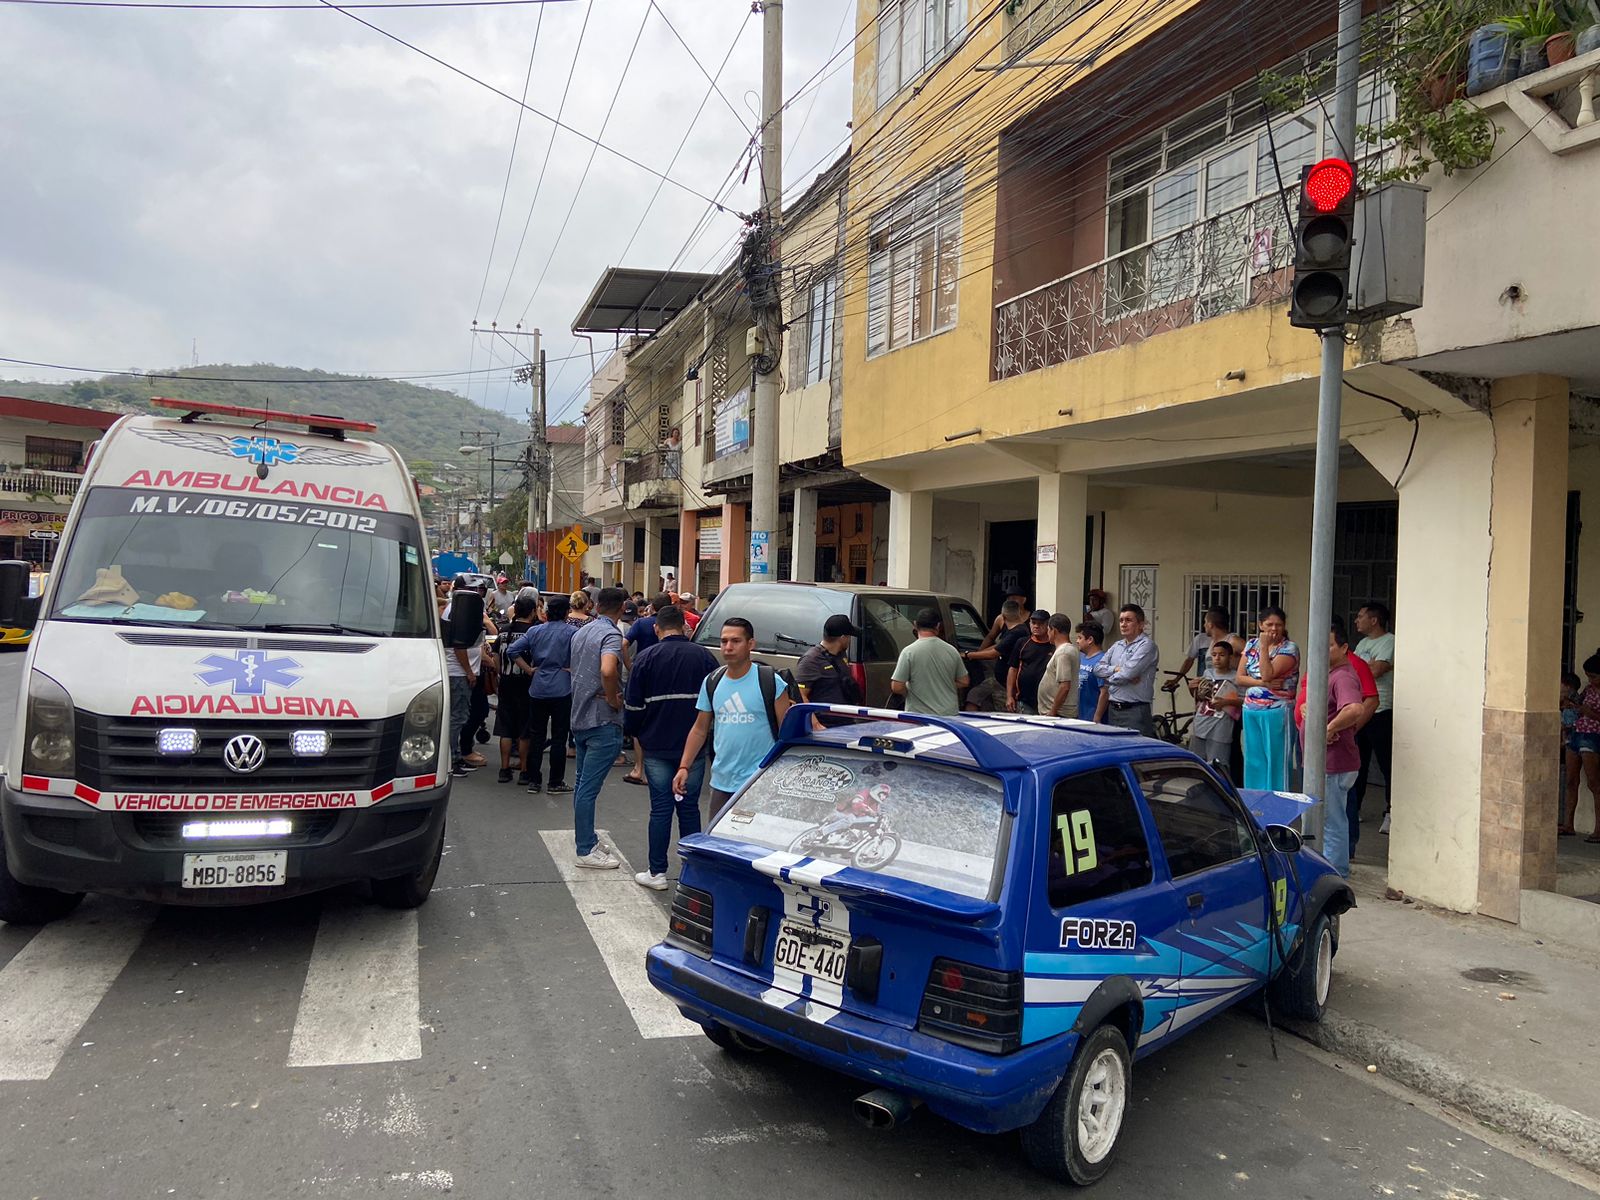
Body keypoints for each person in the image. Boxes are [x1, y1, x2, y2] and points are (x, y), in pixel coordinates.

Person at [623, 604, 719, 890]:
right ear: (685, 627)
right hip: (694, 748)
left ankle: (657, 872)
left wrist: (638, 733)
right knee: (690, 809)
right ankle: (695, 873)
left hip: (656, 746)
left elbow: (633, 706)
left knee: (661, 809)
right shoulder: (705, 658)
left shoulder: (645, 658)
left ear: (656, 628)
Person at [675, 618, 794, 807]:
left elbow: (786, 734)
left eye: (735, 641)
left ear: (750, 644)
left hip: (760, 782)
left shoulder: (770, 681)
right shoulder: (712, 681)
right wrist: (684, 767)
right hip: (721, 782)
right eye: (724, 641)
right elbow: (699, 729)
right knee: (716, 836)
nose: (728, 647)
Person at [564, 586, 629, 869]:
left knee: (582, 785)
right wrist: (613, 697)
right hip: (602, 718)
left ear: (597, 605)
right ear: (622, 607)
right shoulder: (611, 634)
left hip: (579, 715)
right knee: (588, 788)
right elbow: (607, 669)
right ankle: (585, 848)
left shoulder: (581, 632)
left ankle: (586, 838)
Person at [1295, 620, 1366, 876]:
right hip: (1321, 762)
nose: (1322, 651)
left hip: (1334, 763)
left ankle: (1336, 875)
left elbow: (1355, 708)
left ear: (1344, 647)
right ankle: (1320, 870)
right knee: (1319, 819)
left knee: (1331, 821)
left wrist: (1329, 728)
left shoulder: (1343, 676)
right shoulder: (1327, 674)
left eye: (1330, 646)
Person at [508, 594, 576, 795]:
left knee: (536, 735)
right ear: (566, 613)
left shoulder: (535, 631)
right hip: (562, 686)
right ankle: (555, 781)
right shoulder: (572, 632)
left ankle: (533, 779)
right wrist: (572, 669)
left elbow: (513, 651)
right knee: (559, 736)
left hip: (538, 687)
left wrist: (529, 670)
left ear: (546, 612)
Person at [1236, 606, 1300, 791]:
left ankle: (1278, 805)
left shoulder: (1289, 648)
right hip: (1250, 709)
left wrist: (1263, 647)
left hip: (1277, 710)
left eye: (1278, 625)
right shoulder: (1250, 644)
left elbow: (1267, 673)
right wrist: (1263, 684)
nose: (1274, 629)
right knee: (1254, 760)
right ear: (1260, 625)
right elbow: (1239, 678)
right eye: (1269, 624)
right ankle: (1255, 805)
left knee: (1276, 760)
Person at [1353, 601, 1396, 836]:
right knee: (1358, 761)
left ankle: (1391, 812)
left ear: (1374, 620)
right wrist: (1366, 667)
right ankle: (1355, 807)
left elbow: (1376, 670)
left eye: (1361, 616)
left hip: (1382, 709)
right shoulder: (1363, 643)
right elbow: (1353, 669)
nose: (1357, 620)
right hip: (1360, 709)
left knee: (1386, 764)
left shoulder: (1389, 641)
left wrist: (1366, 668)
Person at [1091, 605, 1159, 736]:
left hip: (1135, 710)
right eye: (1121, 620)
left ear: (1140, 624)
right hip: (1113, 709)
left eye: (1128, 620)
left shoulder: (1147, 646)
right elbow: (1097, 669)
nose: (1123, 624)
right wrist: (1116, 669)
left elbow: (1127, 674)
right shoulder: (1117, 645)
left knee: (1136, 752)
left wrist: (1108, 679)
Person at [890, 608, 969, 716]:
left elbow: (897, 687)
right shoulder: (952, 650)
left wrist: (913, 689)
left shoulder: (909, 652)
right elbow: (964, 681)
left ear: (915, 625)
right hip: (949, 716)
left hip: (920, 716)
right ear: (937, 626)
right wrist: (943, 684)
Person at [494, 594, 537, 784]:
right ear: (533, 612)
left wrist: (500, 673)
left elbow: (495, 658)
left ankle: (504, 769)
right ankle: (524, 770)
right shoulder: (534, 632)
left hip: (506, 682)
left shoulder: (503, 632)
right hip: (526, 683)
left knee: (506, 728)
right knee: (524, 729)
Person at [794, 614, 865, 726]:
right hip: (825, 724)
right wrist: (816, 725)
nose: (850, 640)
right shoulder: (811, 660)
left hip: (846, 721)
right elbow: (800, 695)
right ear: (842, 638)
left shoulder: (841, 654)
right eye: (849, 636)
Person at [963, 599, 1028, 712]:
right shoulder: (1014, 630)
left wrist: (968, 655)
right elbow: (997, 646)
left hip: (1007, 683)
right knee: (975, 697)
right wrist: (977, 654)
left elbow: (993, 653)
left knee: (1003, 709)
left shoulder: (1017, 633)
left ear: (1003, 616)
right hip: (998, 679)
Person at [1188, 642, 1242, 772]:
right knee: (1197, 763)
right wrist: (1191, 688)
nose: (1217, 658)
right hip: (1201, 722)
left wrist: (1225, 702)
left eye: (1222, 655)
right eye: (1214, 655)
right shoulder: (1207, 673)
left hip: (1221, 726)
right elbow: (1198, 697)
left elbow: (1245, 700)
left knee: (1218, 764)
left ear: (1230, 657)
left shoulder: (1236, 677)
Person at [1165, 607, 1246, 692]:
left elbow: (1254, 656)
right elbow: (1189, 660)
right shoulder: (1210, 641)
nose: (1204, 625)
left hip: (1230, 689)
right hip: (1211, 690)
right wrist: (1177, 680)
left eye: (1205, 622)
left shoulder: (1233, 640)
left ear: (1210, 624)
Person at [1572, 654, 1600, 844]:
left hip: (1593, 736)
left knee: (1594, 783)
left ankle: (1598, 829)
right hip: (1578, 733)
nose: (1590, 680)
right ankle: (1568, 824)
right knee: (1572, 780)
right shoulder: (1589, 689)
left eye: (1593, 677)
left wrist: (1585, 711)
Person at [1005, 610, 1055, 715]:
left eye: (1040, 623)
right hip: (1025, 700)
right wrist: (1009, 696)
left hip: (1048, 702)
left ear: (1048, 626)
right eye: (1033, 623)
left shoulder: (1054, 646)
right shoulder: (1022, 643)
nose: (1036, 626)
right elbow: (1013, 669)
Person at [1039, 614, 1082, 717]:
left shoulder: (1064, 652)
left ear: (1053, 630)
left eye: (1048, 630)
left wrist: (1053, 711)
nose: (1047, 633)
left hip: (1059, 714)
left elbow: (1064, 686)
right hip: (1058, 713)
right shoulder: (1069, 649)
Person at [1561, 670, 1583, 837]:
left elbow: (1578, 717)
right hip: (1569, 740)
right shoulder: (1566, 701)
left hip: (1578, 737)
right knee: (1570, 780)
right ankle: (1568, 824)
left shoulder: (1576, 699)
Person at [1075, 620, 1106, 721]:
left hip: (1093, 718)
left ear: (1090, 640)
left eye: (1080, 638)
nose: (1077, 641)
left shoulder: (1102, 661)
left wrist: (1097, 717)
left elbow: (1104, 692)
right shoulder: (1082, 658)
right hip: (1081, 716)